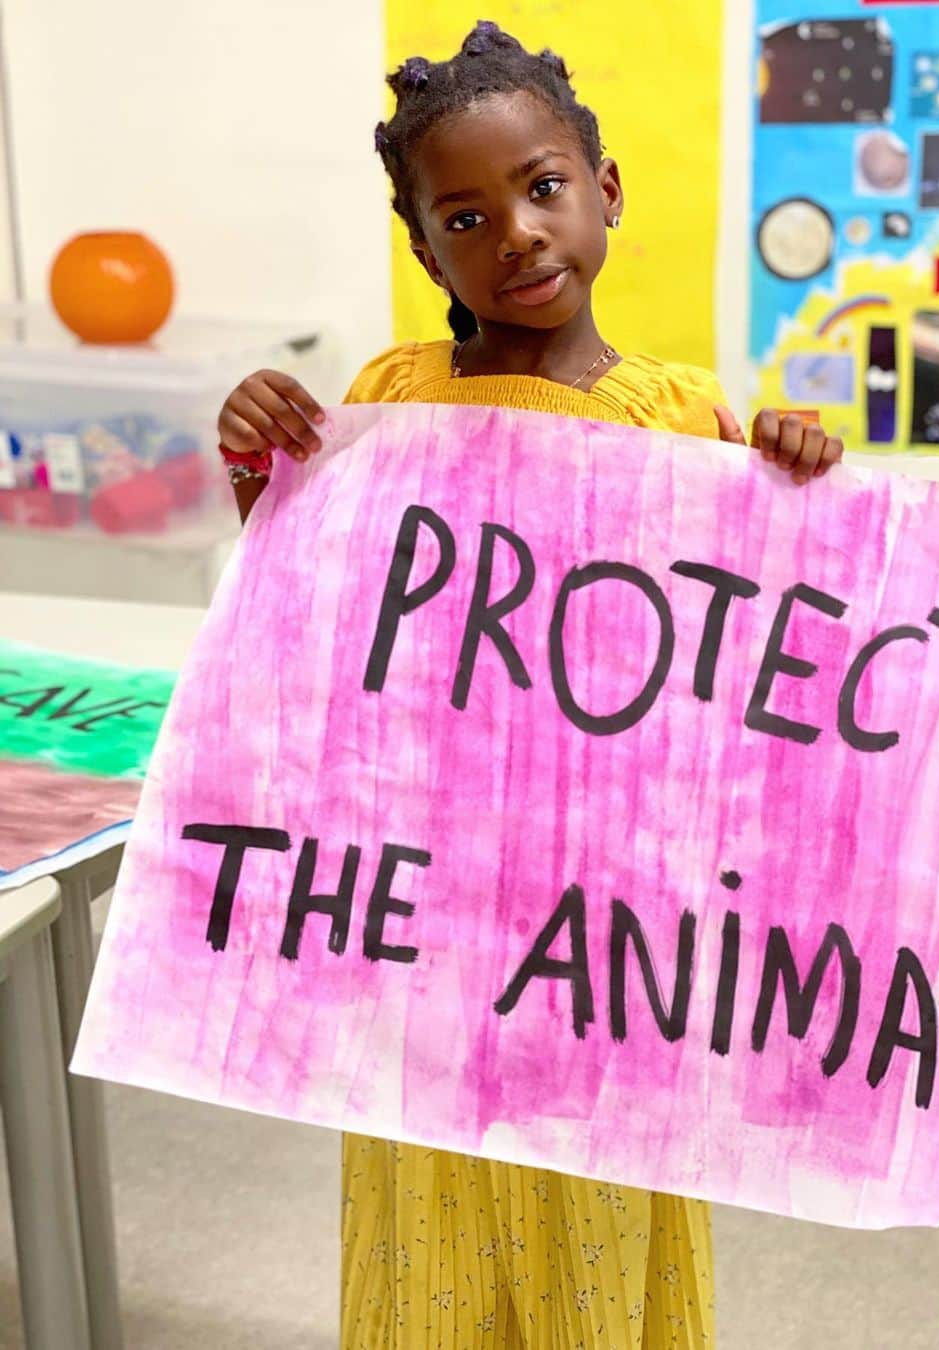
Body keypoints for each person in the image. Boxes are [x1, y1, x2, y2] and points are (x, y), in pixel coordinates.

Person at [216, 22, 844, 1349]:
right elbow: (312, 609)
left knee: (597, 1211)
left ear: (606, 190)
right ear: (426, 247)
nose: (515, 230)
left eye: (543, 186)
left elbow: (752, 654)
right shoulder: (391, 398)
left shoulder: (683, 420)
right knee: (430, 1210)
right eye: (466, 213)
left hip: (609, 928)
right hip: (431, 922)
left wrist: (797, 487)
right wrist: (255, 464)